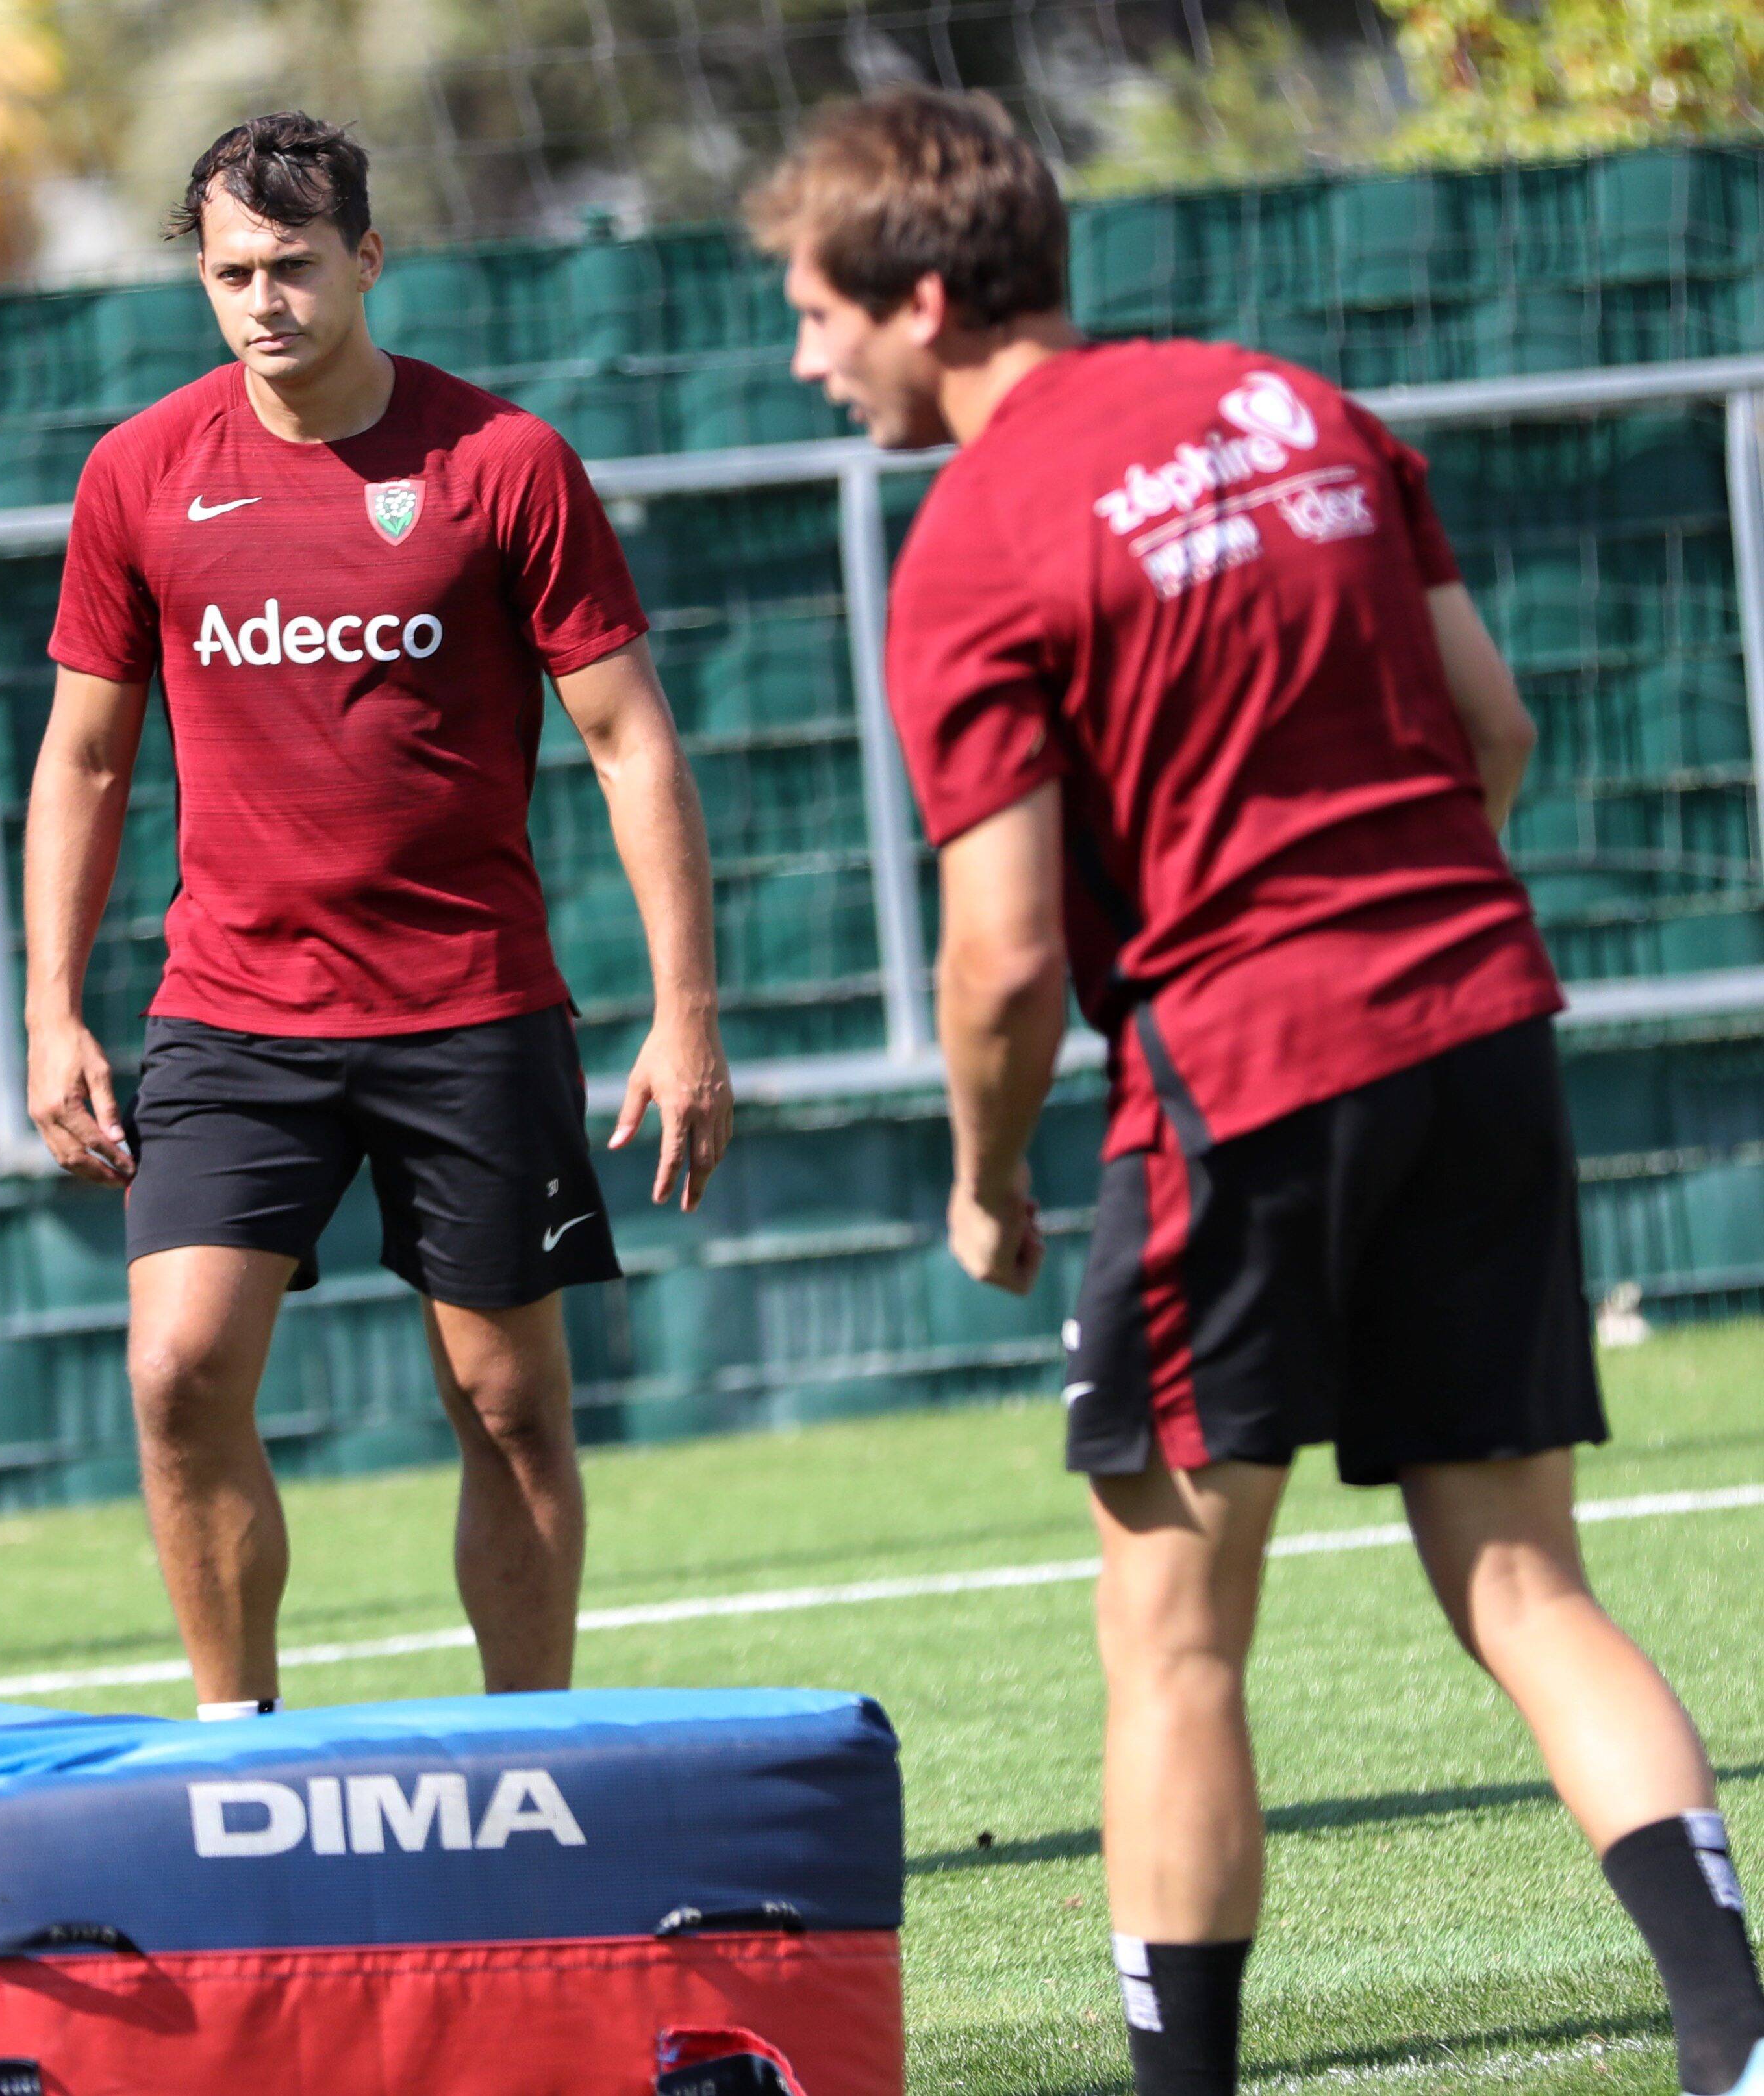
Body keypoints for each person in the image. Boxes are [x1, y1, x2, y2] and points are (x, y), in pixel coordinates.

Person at [749, 86, 1764, 2096]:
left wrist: (981, 1173)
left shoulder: (977, 542)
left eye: (816, 314)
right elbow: (1497, 727)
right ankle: (1738, 2037)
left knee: (1175, 1639)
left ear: (928, 298)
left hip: (1243, 1082)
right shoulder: (1300, 406)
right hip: (1477, 1023)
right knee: (1525, 1581)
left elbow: (1006, 953)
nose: (805, 355)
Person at [27, 111, 733, 1717]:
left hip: (469, 1008)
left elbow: (630, 743)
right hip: (229, 1011)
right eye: (229, 275)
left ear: (366, 258)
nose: (262, 300)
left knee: (507, 1406)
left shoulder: (503, 465)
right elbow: (80, 758)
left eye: (290, 266)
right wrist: (47, 1006)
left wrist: (685, 1017)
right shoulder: (137, 475)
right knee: (176, 1369)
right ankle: (234, 1744)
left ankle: (527, 1754)